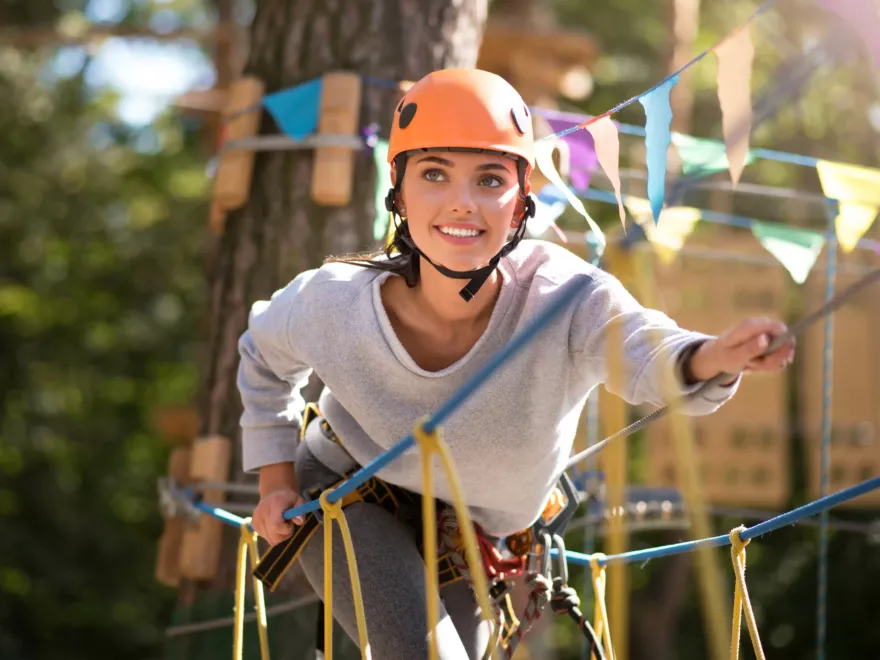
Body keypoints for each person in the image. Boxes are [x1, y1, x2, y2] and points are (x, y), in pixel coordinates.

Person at [237, 68, 795, 659]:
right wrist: (275, 481)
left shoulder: (565, 298)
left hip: (476, 537)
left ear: (521, 200)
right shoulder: (333, 302)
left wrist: (708, 356)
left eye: (490, 179)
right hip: (347, 493)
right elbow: (262, 357)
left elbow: (643, 347)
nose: (462, 202)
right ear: (398, 194)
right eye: (433, 174)